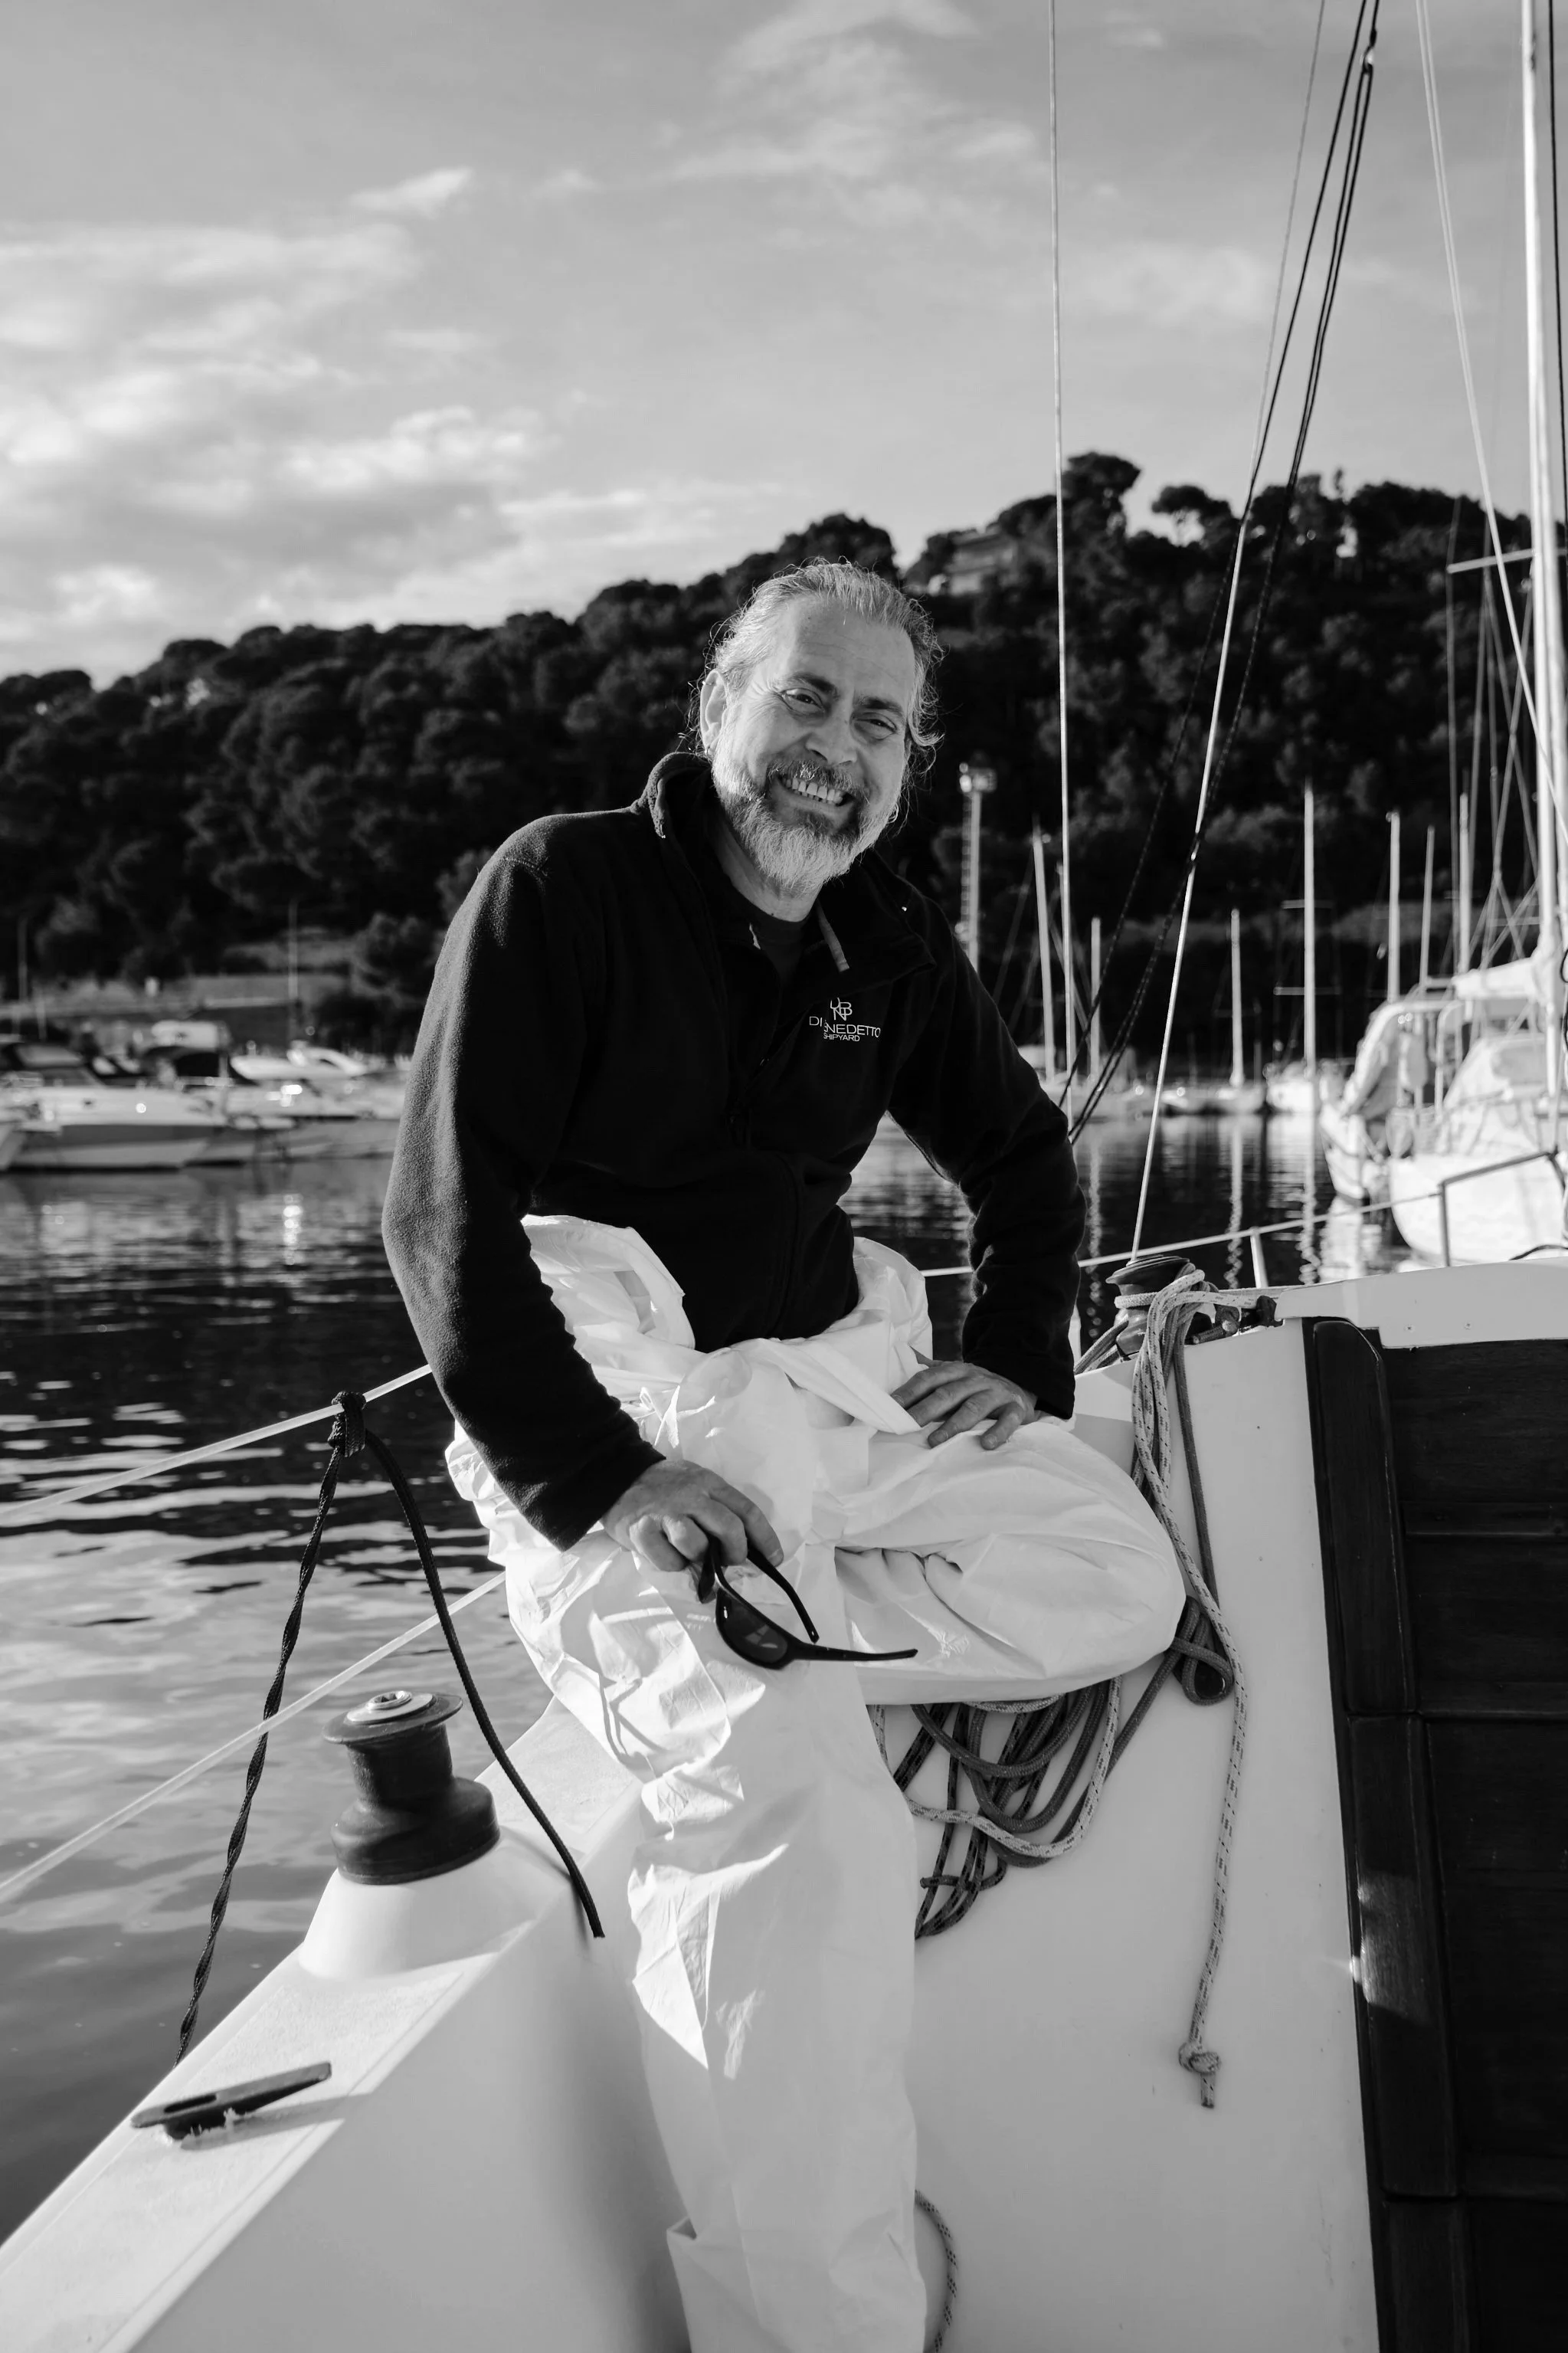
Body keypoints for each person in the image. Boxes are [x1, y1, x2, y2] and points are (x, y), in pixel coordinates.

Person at [384, 561, 1180, 2353]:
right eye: (806, 699)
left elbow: (1029, 1165)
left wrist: (1016, 1352)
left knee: (1119, 1573)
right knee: (797, 1820)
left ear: (909, 766)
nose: (837, 751)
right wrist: (607, 1481)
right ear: (720, 702)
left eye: (881, 722)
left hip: (831, 1400)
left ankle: (796, 1631)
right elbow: (441, 1217)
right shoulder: (564, 887)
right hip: (622, 1419)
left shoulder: (887, 939)